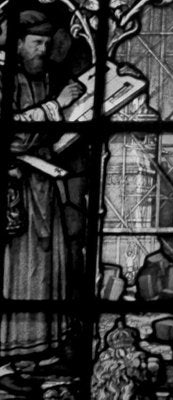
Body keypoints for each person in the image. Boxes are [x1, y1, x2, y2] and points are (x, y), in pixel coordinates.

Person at [0, 9, 85, 392]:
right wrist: (56, 106)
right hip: (14, 192)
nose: (43, 49)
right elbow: (12, 136)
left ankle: (39, 354)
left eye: (47, 43)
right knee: (16, 275)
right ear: (17, 44)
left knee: (46, 272)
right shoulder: (5, 80)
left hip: (44, 185)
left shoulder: (46, 77)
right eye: (36, 42)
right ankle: (4, 363)